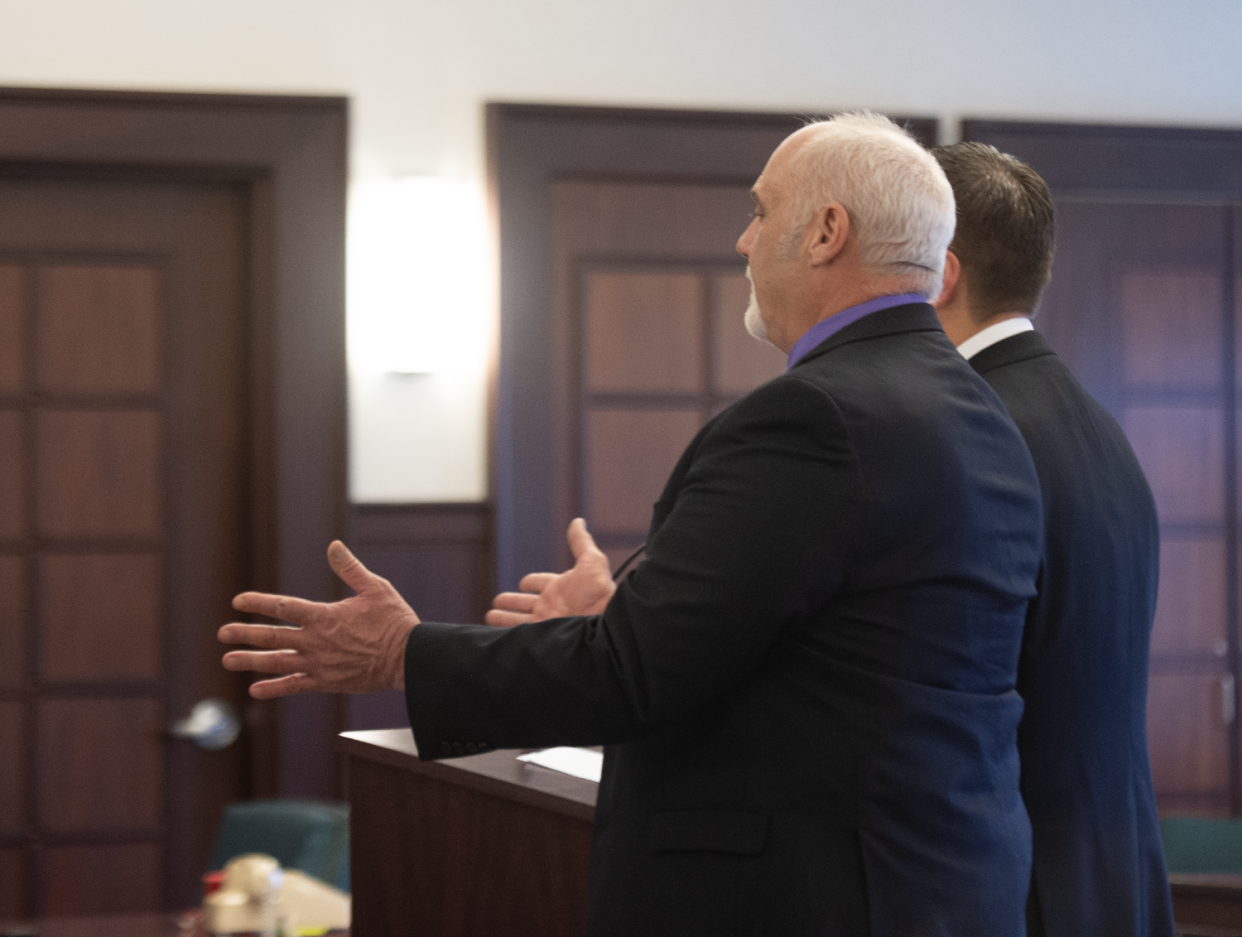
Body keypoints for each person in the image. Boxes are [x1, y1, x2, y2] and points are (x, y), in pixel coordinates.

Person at [219, 113, 1044, 936]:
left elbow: (633, 675)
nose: (744, 242)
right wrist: (622, 616)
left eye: (761, 210)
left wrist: (404, 650)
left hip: (807, 896)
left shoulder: (815, 415)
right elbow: (831, 654)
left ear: (828, 231)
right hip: (940, 887)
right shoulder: (981, 410)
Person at [930, 141, 1176, 937]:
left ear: (940, 273)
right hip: (1118, 872)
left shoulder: (969, 432)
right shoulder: (1096, 425)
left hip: (1022, 885)